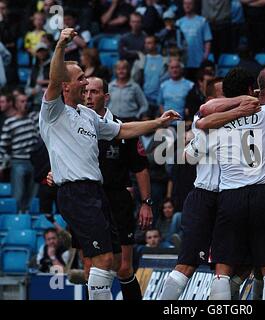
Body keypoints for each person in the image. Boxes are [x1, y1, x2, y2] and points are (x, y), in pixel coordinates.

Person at [39, 28, 179, 300]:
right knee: (101, 261)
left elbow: (123, 130)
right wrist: (60, 46)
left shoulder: (88, 115)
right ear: (65, 86)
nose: (86, 83)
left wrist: (158, 123)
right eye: (81, 79)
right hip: (76, 193)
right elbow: (54, 78)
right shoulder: (53, 112)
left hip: (95, 193)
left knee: (112, 260)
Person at [159, 69, 259, 300]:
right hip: (204, 196)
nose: (233, 101)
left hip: (231, 197)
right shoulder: (202, 121)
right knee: (188, 263)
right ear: (210, 102)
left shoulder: (243, 122)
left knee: (235, 264)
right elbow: (191, 156)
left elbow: (252, 158)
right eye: (225, 97)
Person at [209, 65, 265, 300]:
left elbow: (204, 112)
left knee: (223, 270)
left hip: (230, 196)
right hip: (263, 195)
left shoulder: (217, 119)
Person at [84, 76, 152, 299]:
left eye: (94, 92)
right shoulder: (76, 125)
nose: (88, 96)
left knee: (123, 268)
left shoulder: (124, 129)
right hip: (88, 199)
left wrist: (146, 203)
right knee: (90, 270)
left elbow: (140, 168)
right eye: (85, 91)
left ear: (106, 97)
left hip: (117, 199)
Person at [0, 94, 39, 213]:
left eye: (26, 101)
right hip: (18, 161)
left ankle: (29, 215)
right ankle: (17, 215)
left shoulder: (34, 118)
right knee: (19, 192)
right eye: (22, 101)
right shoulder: (10, 122)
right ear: (15, 104)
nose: (25, 104)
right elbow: (3, 146)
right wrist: (1, 165)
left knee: (34, 193)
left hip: (34, 161)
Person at [175, 0, 212, 80]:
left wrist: (205, 56)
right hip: (184, 62)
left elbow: (207, 40)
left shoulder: (202, 21)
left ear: (194, 5)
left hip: (199, 61)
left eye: (189, 3)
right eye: (185, 3)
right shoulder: (179, 23)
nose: (187, 6)